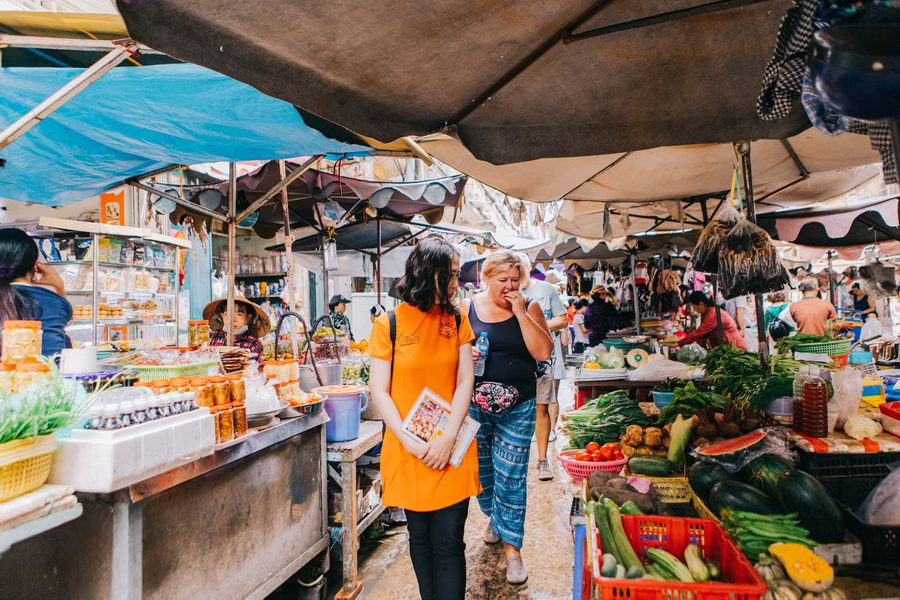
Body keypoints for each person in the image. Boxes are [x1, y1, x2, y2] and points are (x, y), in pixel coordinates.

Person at [367, 237, 478, 600]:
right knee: (420, 538)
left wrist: (447, 437)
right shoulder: (389, 324)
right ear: (429, 272)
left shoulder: (457, 319)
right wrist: (408, 440)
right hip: (409, 450)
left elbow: (465, 380)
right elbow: (379, 389)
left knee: (449, 542)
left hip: (451, 449)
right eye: (451, 274)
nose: (456, 282)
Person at [463, 250, 552, 585]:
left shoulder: (530, 307)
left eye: (516, 280)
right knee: (482, 474)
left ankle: (513, 550)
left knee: (511, 476)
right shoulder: (467, 308)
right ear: (486, 278)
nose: (510, 286)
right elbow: (451, 353)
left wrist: (520, 312)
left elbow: (543, 351)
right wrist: (465, 353)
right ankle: (495, 519)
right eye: (503, 280)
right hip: (474, 408)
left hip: (519, 406)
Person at [519, 254, 567, 482]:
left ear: (528, 268)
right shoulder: (504, 292)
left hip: (543, 359)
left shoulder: (546, 290)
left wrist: (535, 325)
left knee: (542, 407)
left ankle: (542, 460)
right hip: (516, 360)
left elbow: (563, 320)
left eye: (520, 268)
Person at [0, 228, 72, 356]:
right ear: (35, 267)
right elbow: (65, 322)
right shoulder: (52, 302)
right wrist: (59, 287)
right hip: (45, 369)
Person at [203, 296, 270, 361]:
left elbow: (256, 367)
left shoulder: (254, 343)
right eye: (227, 314)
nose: (233, 319)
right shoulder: (211, 337)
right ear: (222, 316)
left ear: (248, 318)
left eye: (239, 314)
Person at [678, 291, 747, 350]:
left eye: (694, 307)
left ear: (701, 304)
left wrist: (679, 343)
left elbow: (699, 332)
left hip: (735, 347)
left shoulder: (712, 314)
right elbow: (702, 335)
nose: (695, 310)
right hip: (726, 347)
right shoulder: (706, 313)